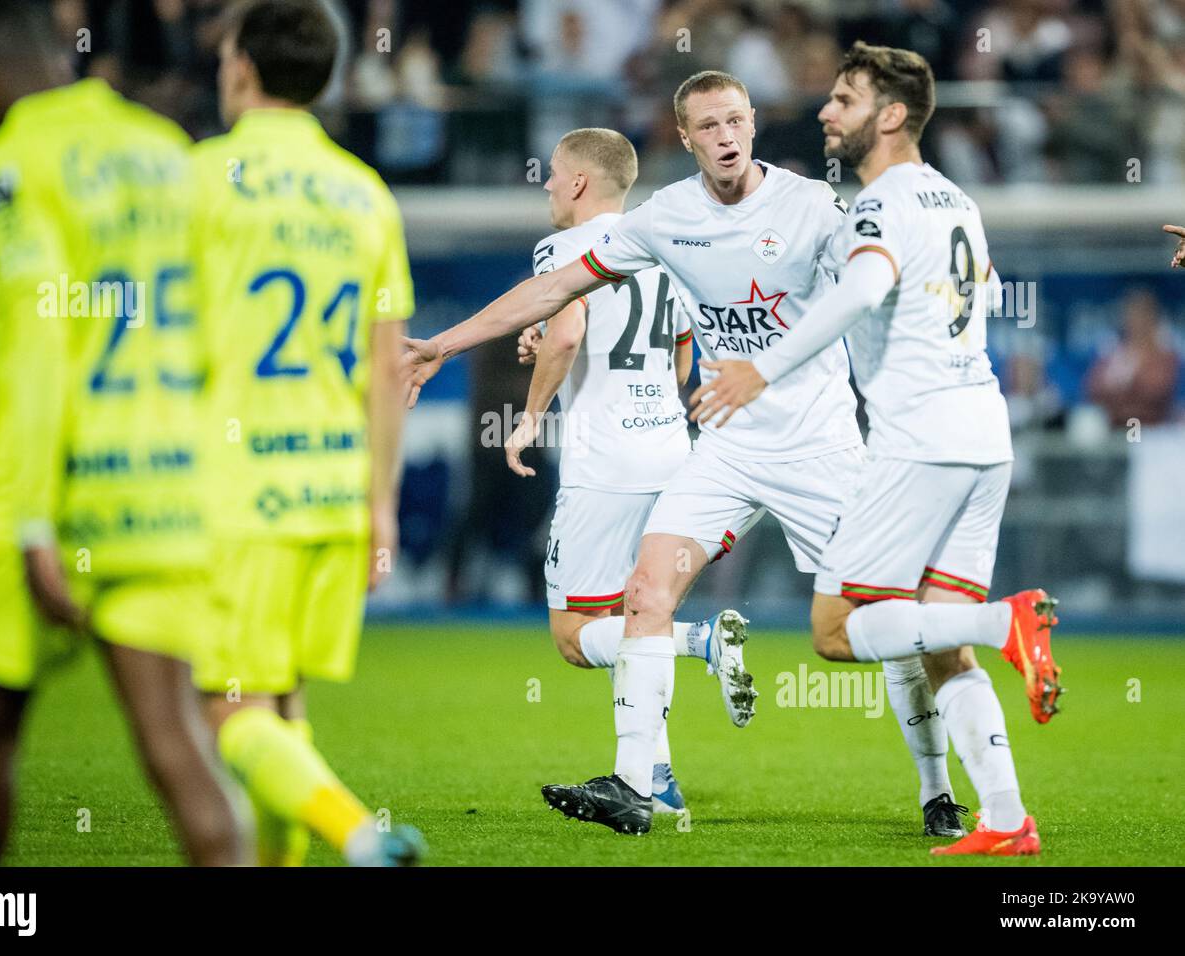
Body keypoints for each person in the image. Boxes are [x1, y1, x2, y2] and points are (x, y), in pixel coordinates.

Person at [405, 69, 968, 840]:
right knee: (644, 593)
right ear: (686, 137)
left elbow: (885, 274)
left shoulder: (810, 206)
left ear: (754, 124)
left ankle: (937, 790)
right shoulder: (666, 217)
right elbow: (553, 295)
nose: (726, 135)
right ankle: (637, 786)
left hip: (822, 448)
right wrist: (442, 342)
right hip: (723, 451)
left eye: (736, 120)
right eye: (709, 126)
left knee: (874, 619)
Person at [689, 42, 1061, 856]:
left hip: (919, 442)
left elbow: (861, 291)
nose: (826, 111)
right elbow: (985, 292)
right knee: (937, 639)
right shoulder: (956, 198)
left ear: (890, 116)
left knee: (832, 627)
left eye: (845, 100)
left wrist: (760, 369)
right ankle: (1005, 818)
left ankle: (1010, 623)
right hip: (982, 437)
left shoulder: (881, 202)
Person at [0, 0, 243, 866]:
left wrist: (34, 523)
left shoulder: (11, 165)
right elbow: (211, 329)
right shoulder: (165, 151)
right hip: (160, 484)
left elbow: (38, 348)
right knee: (177, 743)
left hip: (44, 492)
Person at [190, 0, 423, 866]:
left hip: (237, 491)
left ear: (243, 68)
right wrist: (383, 507)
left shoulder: (202, 180)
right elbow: (385, 367)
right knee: (279, 708)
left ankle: (358, 836)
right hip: (335, 490)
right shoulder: (365, 194)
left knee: (226, 709)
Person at [506, 126, 754, 817]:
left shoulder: (564, 248)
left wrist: (530, 416)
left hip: (604, 465)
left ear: (582, 182)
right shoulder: (664, 247)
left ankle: (698, 641)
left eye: (554, 173)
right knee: (636, 613)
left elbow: (566, 332)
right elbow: (680, 356)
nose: (549, 185)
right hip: (671, 455)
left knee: (575, 637)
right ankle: (658, 780)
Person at [1086, 288, 1180, 429]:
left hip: (1151, 431)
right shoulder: (1112, 352)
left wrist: (1119, 391)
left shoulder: (1165, 354)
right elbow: (1092, 388)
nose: (1135, 321)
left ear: (1152, 317)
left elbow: (1154, 391)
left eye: (1141, 314)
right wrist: (1127, 392)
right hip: (1114, 429)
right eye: (1131, 314)